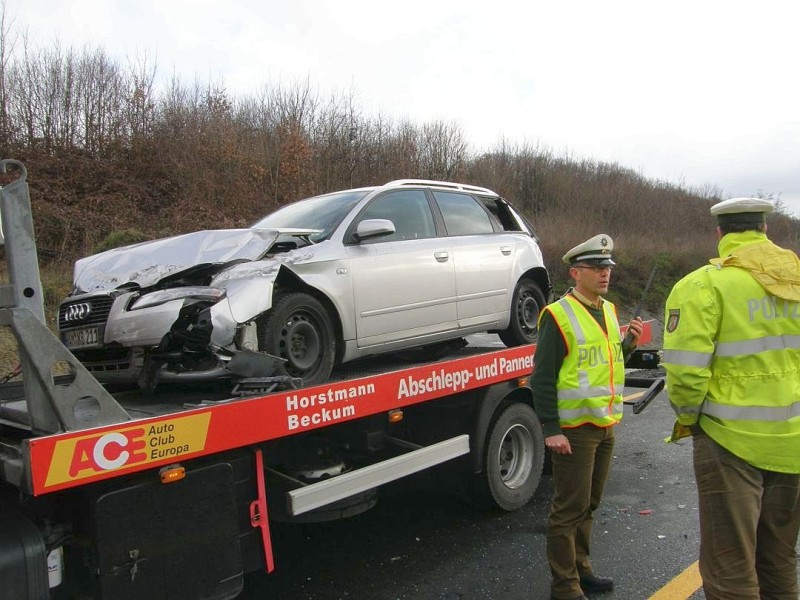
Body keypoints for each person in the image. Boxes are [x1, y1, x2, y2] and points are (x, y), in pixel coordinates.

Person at [662, 197, 800, 600]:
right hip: (794, 442)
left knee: (730, 568)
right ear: (765, 230)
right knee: (779, 560)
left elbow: (686, 375)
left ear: (720, 234)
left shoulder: (703, 285)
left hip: (730, 441)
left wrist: (692, 418)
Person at [531, 233, 643, 600]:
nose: (605, 274)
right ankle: (565, 587)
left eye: (607, 267)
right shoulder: (558, 315)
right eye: (596, 268)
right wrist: (551, 429)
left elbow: (607, 363)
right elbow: (543, 377)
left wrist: (627, 344)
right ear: (576, 273)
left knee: (590, 504)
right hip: (575, 430)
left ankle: (582, 571)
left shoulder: (609, 311)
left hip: (605, 425)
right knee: (568, 509)